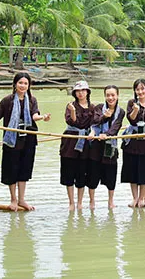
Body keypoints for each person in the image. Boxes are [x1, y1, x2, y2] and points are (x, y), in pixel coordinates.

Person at [0, 72, 51, 211]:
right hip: (12, 139)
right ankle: (13, 199)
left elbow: (34, 115)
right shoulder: (7, 100)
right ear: (15, 84)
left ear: (29, 86)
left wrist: (43, 117)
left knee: (24, 169)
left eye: (25, 83)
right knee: (11, 169)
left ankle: (22, 199)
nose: (22, 86)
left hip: (28, 139)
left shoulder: (32, 100)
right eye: (20, 83)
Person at [88, 85, 125, 209]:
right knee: (93, 175)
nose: (110, 98)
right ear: (105, 96)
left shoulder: (121, 111)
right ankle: (92, 201)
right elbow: (95, 121)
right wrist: (105, 116)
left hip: (110, 146)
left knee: (111, 175)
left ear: (117, 96)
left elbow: (116, 127)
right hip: (96, 145)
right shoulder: (98, 107)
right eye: (108, 95)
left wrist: (107, 134)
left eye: (113, 95)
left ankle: (110, 201)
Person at [122, 78, 145, 208]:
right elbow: (131, 119)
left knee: (143, 170)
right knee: (132, 171)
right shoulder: (131, 102)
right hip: (132, 140)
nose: (140, 91)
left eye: (142, 88)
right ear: (135, 91)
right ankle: (135, 198)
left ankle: (142, 198)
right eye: (138, 89)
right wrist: (135, 109)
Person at [61, 81, 93, 211]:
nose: (81, 93)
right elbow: (73, 122)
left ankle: (80, 202)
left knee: (82, 172)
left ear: (87, 92)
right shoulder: (70, 106)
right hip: (70, 141)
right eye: (78, 91)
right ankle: (71, 202)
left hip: (85, 142)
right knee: (69, 172)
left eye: (83, 90)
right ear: (75, 93)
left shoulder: (92, 107)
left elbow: (95, 123)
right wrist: (73, 111)